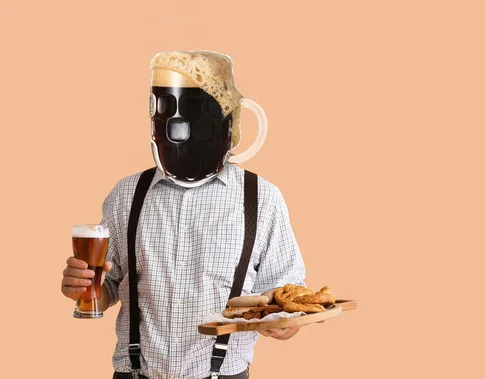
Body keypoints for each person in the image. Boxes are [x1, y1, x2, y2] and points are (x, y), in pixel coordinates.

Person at [60, 50, 306, 379]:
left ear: (225, 120)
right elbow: (107, 290)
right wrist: (84, 288)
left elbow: (286, 298)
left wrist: (284, 325)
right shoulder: (126, 194)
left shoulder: (262, 198)